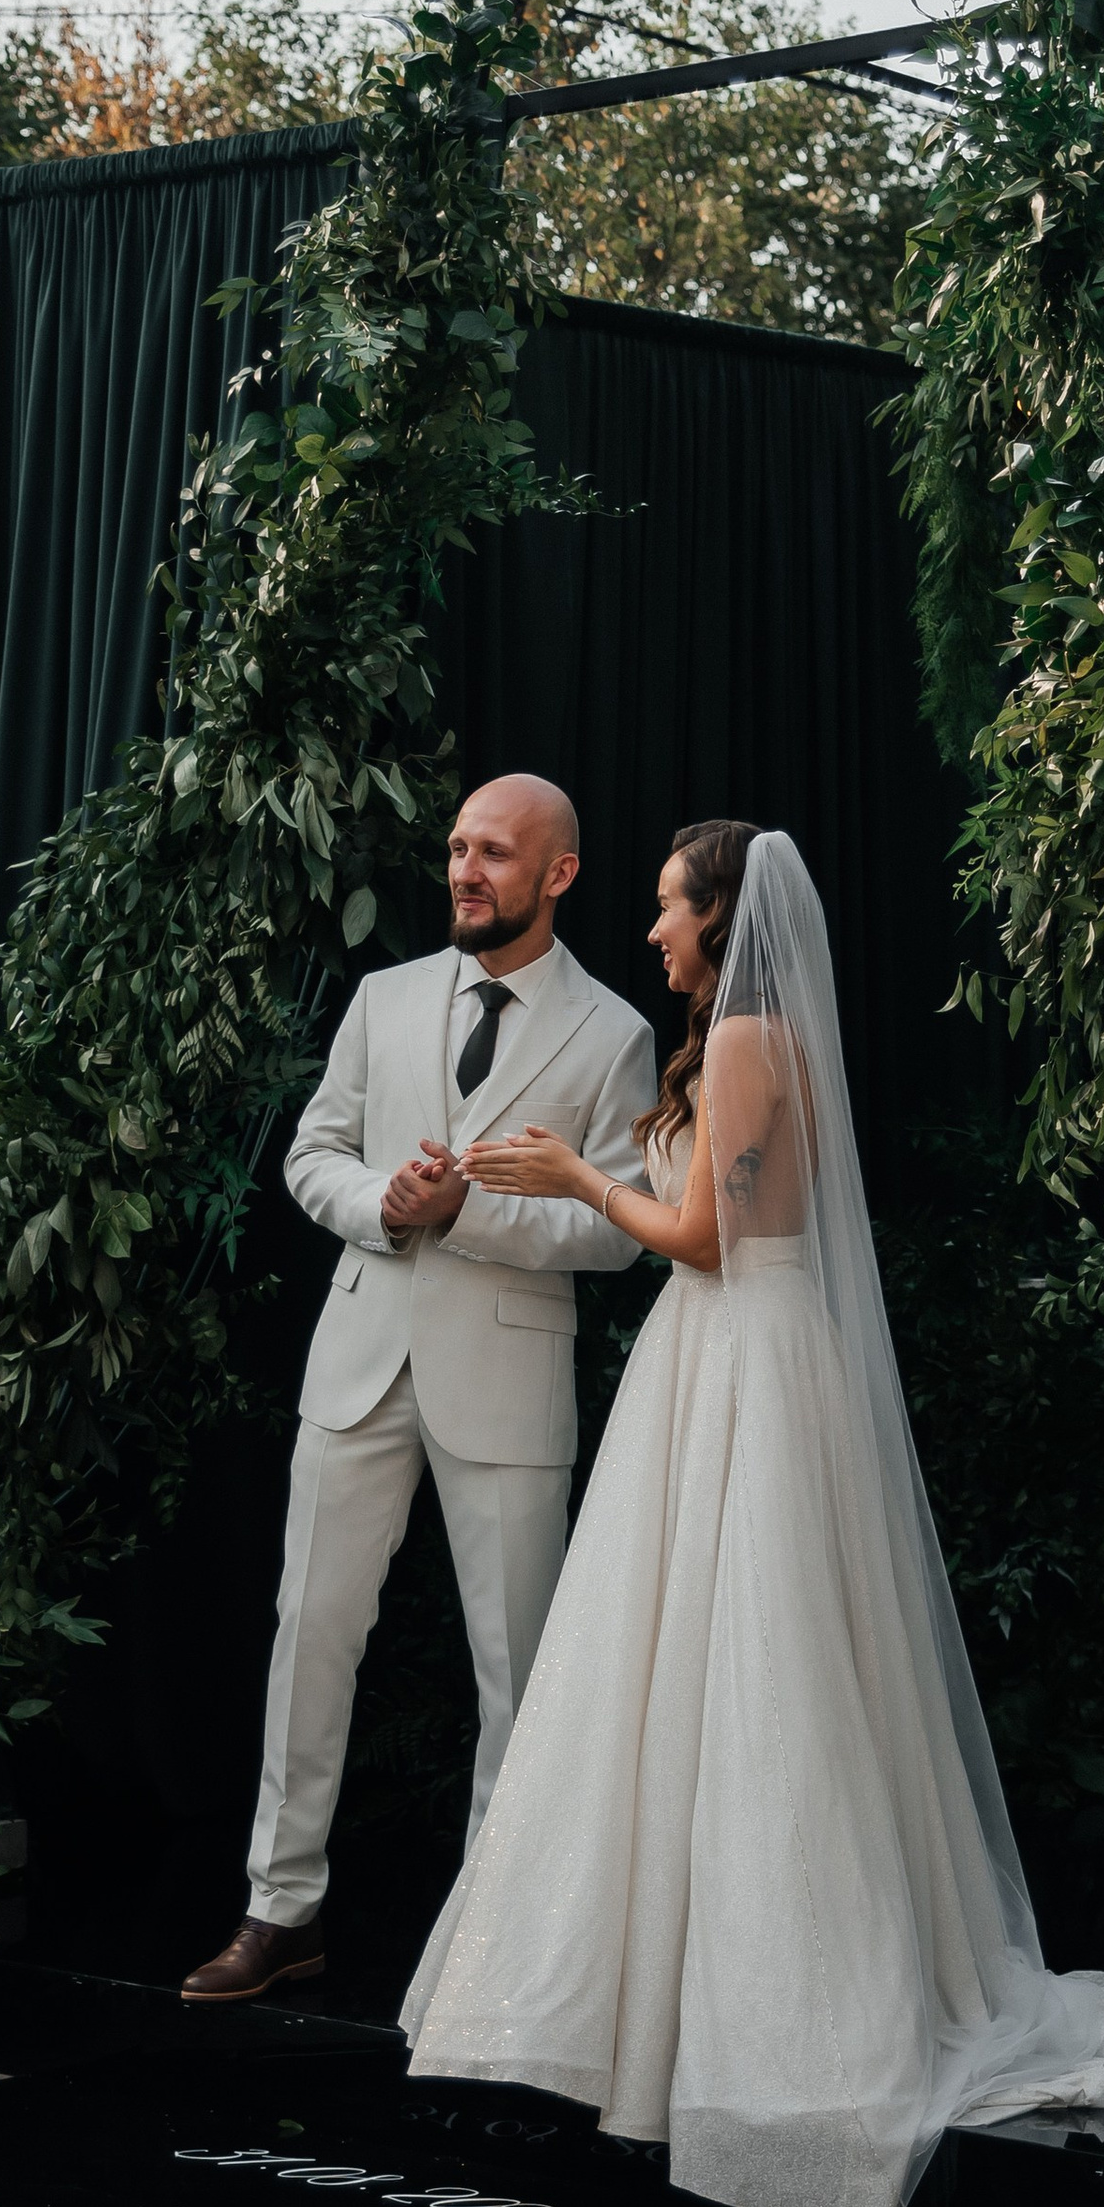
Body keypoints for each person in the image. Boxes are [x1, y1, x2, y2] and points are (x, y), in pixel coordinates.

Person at [402, 820, 1104, 2207]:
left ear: (721, 917)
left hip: (731, 1349)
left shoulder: (736, 1044)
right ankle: (671, 2007)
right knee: (748, 1659)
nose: (655, 934)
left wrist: (579, 1179)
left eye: (667, 910)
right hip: (767, 1358)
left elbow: (711, 1236)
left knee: (735, 1666)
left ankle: (727, 2027)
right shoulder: (780, 1041)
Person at [182, 774, 654, 2004]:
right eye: (455, 847)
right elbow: (312, 1153)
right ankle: (278, 1912)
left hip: (505, 1376)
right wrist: (383, 1205)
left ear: (556, 872)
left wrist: (475, 1212)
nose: (462, 869)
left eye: (492, 852)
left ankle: (497, 1944)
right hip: (357, 1358)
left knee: (519, 1665)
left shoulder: (612, 1034)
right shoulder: (383, 998)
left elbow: (620, 1230)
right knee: (310, 1636)